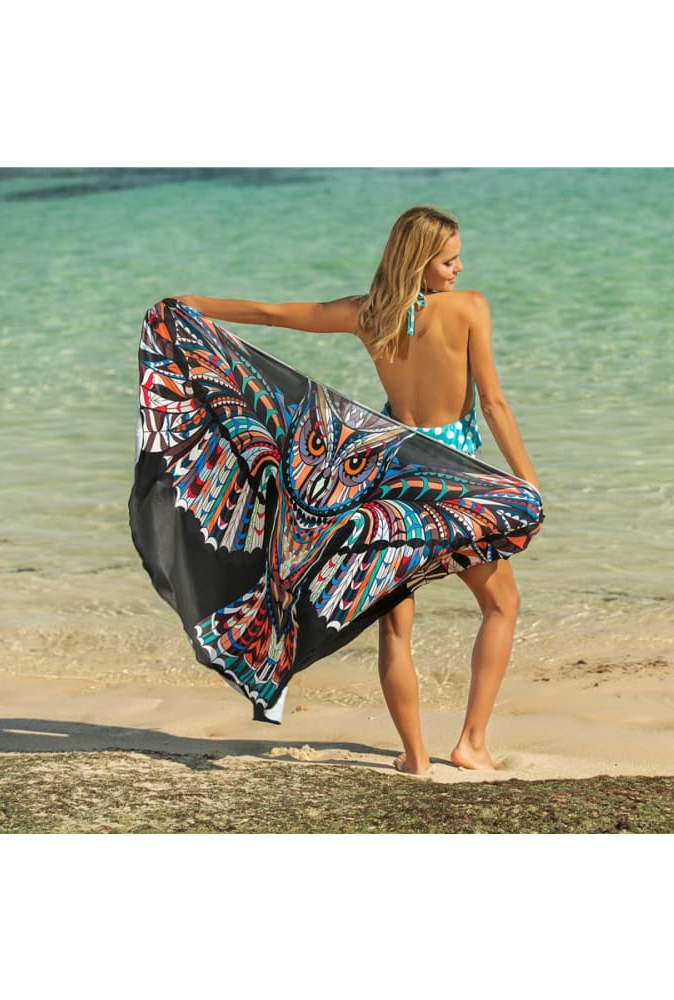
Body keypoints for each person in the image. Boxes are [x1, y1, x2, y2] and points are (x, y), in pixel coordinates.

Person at [177, 205, 539, 774]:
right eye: (449, 260)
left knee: (396, 627)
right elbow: (493, 402)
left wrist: (189, 306)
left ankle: (415, 757)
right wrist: (526, 480)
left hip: (390, 481)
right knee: (502, 604)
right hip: (452, 481)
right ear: (419, 261)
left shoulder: (367, 315)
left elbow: (271, 314)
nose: (459, 269)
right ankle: (471, 743)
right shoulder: (471, 308)